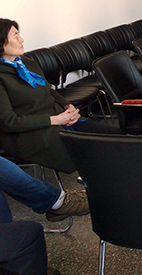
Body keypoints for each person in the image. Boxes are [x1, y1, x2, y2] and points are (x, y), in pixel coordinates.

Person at [0, 19, 120, 174]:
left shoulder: (27, 63)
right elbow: (10, 122)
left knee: (115, 138)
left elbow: (49, 90)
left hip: (58, 118)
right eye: (15, 36)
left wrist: (68, 106)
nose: (21, 40)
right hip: (30, 133)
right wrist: (55, 120)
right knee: (94, 153)